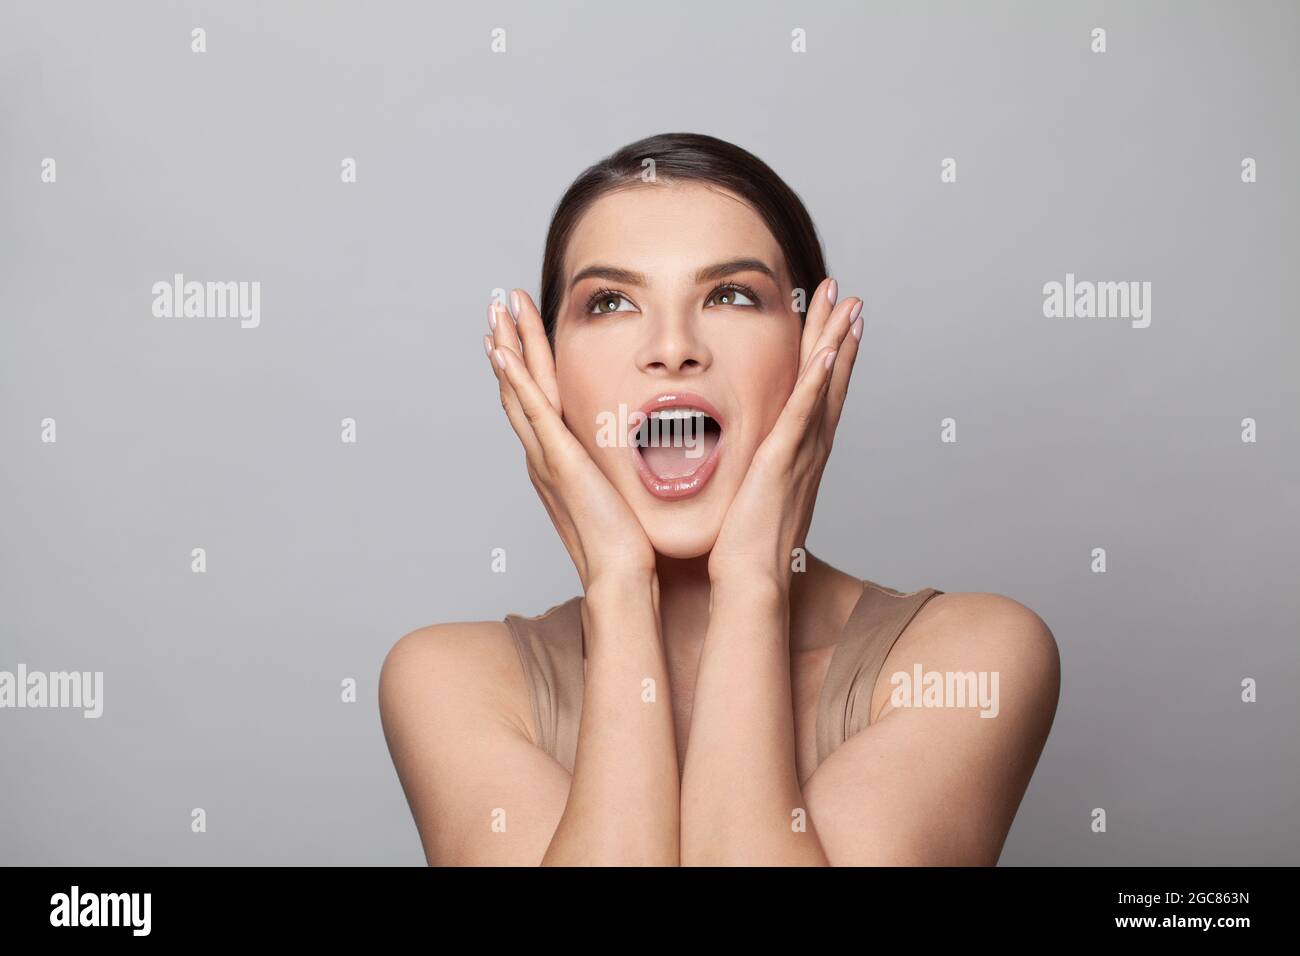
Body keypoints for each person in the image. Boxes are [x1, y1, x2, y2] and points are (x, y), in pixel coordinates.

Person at [380, 132, 1060, 866]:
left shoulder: (970, 660)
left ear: (813, 351)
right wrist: (617, 584)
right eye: (609, 303)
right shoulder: (449, 681)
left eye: (731, 295)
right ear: (545, 373)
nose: (673, 347)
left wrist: (752, 583)